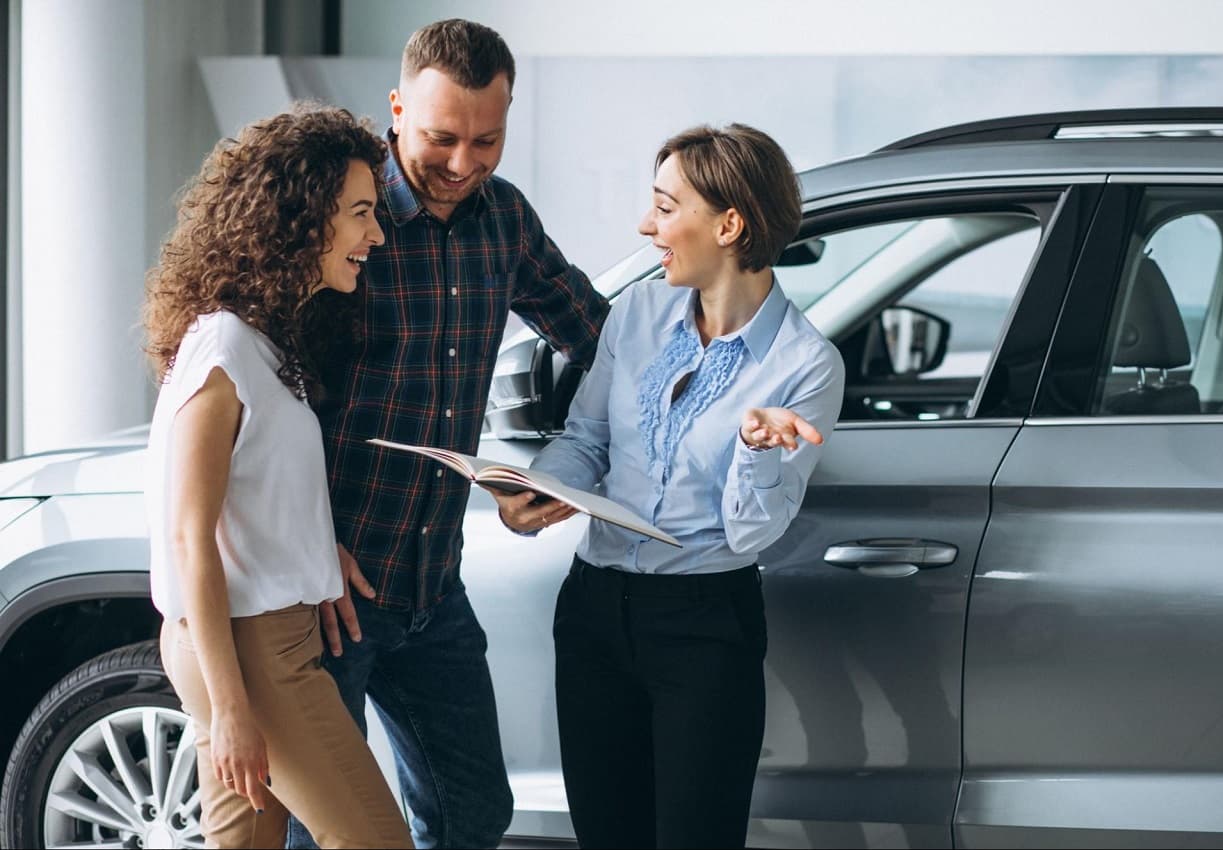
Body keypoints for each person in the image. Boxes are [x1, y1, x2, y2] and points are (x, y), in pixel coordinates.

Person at [285, 18, 610, 850]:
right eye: (440, 138)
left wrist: (574, 464)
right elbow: (265, 402)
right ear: (396, 111)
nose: (463, 165)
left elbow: (600, 338)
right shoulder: (339, 223)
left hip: (435, 588)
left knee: (474, 816)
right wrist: (308, 543)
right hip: (329, 595)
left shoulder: (504, 220)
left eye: (487, 140)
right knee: (321, 829)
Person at [492, 124, 846, 849]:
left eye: (663, 206)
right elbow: (588, 440)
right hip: (592, 612)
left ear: (729, 224)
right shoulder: (638, 314)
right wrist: (539, 491)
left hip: (702, 628)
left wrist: (756, 451)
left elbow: (752, 534)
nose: (646, 225)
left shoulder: (808, 365)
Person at [142, 104, 412, 849]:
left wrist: (315, 551)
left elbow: (252, 497)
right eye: (361, 213)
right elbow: (190, 533)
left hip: (255, 642)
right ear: (301, 216)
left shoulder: (263, 339)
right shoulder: (224, 344)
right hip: (249, 653)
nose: (376, 235)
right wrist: (232, 708)